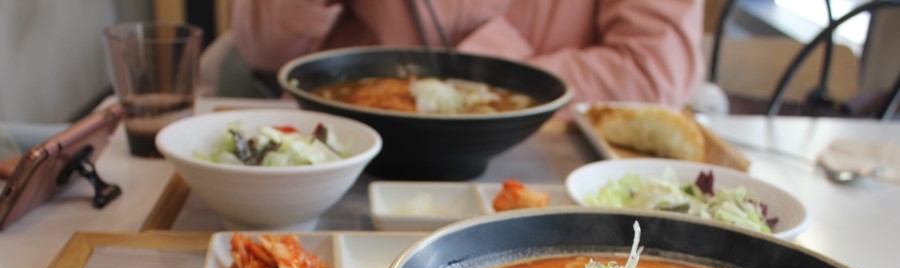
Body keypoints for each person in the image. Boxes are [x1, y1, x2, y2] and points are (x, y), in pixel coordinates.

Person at [229, 0, 705, 109]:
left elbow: (654, 72)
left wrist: (484, 80)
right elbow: (261, 48)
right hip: (342, 142)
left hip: (543, 157)